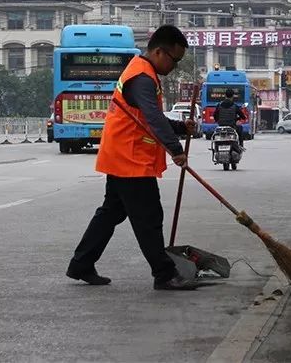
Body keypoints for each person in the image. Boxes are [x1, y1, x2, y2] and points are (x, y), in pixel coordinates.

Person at [66, 25, 199, 291]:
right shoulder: (141, 77)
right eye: (174, 59)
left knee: (110, 213)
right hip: (130, 159)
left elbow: (150, 117)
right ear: (159, 51)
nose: (175, 66)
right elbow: (151, 117)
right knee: (149, 216)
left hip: (122, 155)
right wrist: (176, 149)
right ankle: (164, 274)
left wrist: (180, 128)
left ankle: (81, 264)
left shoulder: (143, 72)